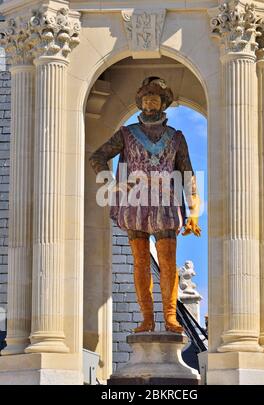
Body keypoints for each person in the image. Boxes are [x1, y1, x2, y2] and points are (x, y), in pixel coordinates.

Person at [89, 76, 201, 333]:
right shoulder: (127, 134)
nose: (150, 100)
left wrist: (194, 211)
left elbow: (188, 175)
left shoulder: (176, 137)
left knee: (169, 263)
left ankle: (170, 316)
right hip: (135, 203)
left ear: (163, 103)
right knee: (140, 261)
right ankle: (147, 318)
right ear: (140, 102)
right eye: (146, 96)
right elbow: (98, 157)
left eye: (155, 97)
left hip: (166, 204)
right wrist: (113, 185)